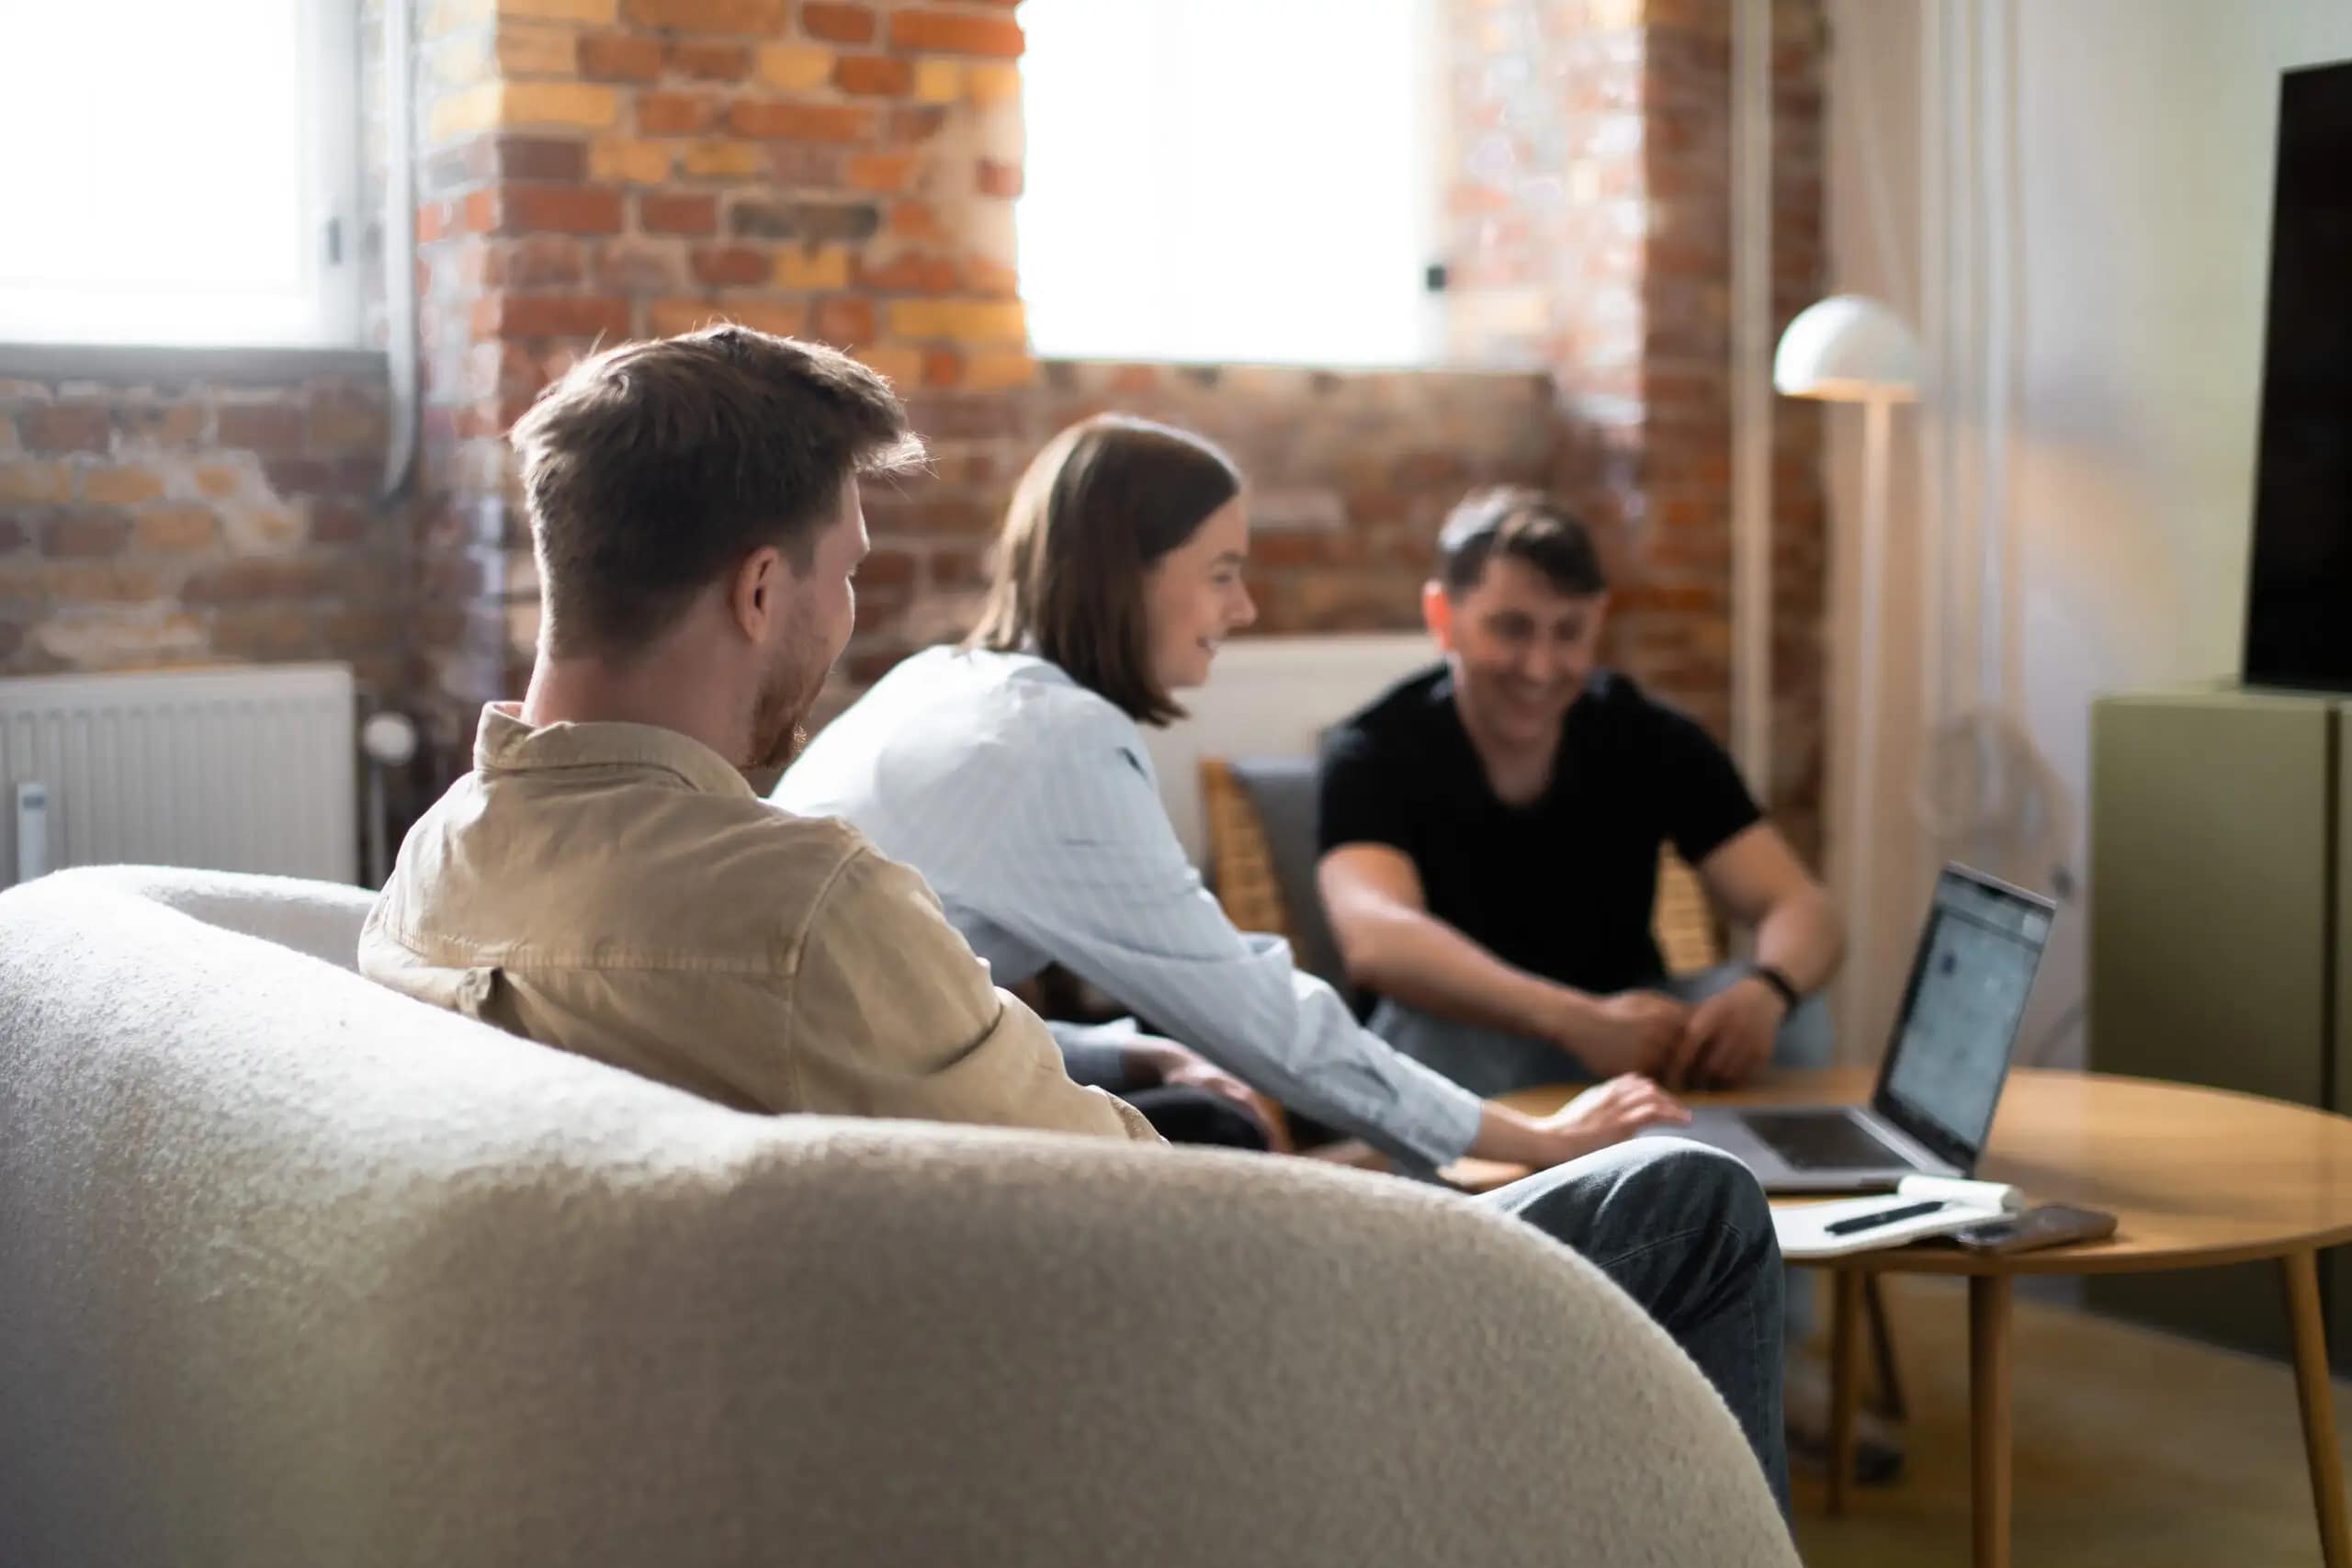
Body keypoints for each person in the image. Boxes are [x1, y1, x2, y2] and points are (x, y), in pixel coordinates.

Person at [777, 414, 1789, 1507]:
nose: (1242, 609)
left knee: (1220, 1121)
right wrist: (1530, 1137)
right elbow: (1269, 1018)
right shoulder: (1051, 746)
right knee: (1697, 1201)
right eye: (1220, 573)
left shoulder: (945, 686)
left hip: (877, 1189)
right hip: (948, 1231)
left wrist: (1125, 1054)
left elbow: (925, 991)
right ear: (1128, 575)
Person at [361, 327, 1156, 1147]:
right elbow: (1135, 1195)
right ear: (762, 589)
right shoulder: (810, 909)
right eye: (847, 573)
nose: (848, 610)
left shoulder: (429, 858)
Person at [1316, 486, 1845, 1101]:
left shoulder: (1648, 734)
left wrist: (1768, 990)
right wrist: (1572, 1019)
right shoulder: (1374, 749)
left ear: (1599, 622)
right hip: (1472, 1040)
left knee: (1798, 1017)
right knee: (1420, 1039)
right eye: (1511, 629)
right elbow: (1377, 938)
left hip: (1625, 1042)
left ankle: (1768, 1179)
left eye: (1568, 632)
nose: (1540, 666)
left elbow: (1804, 906)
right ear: (1443, 619)